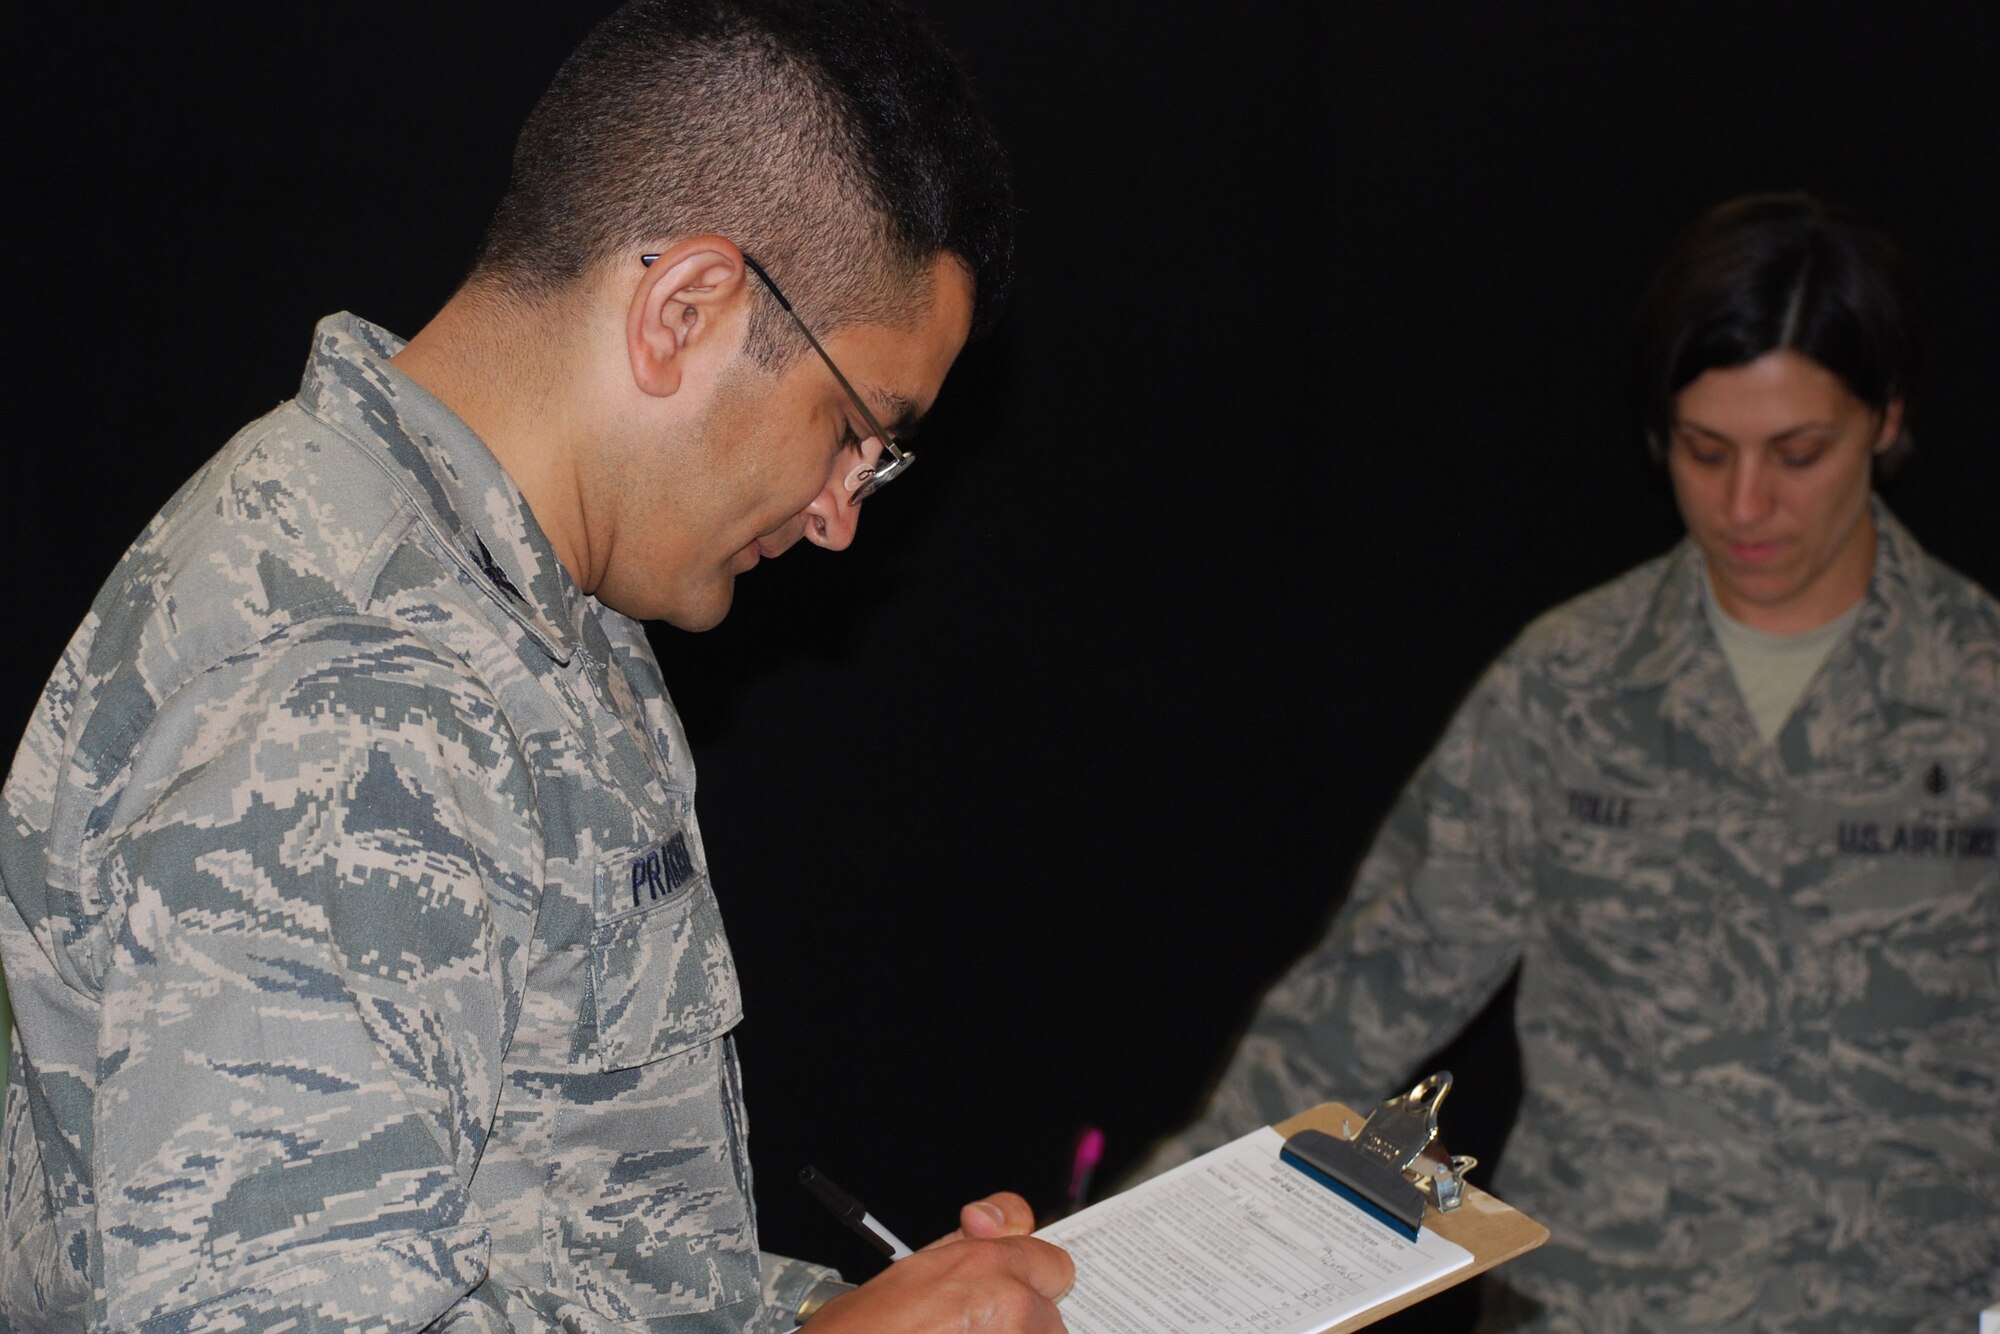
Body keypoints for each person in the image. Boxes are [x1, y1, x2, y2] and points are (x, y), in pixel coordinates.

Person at [0, 2, 1073, 1330]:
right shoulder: (352, 697)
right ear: (685, 308)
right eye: (857, 431)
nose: (842, 511)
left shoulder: (533, 596)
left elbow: (591, 1268)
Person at [1136, 194, 1999, 1330]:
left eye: (1796, 453)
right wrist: (1141, 1243)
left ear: (1885, 420)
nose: (1744, 504)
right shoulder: (1570, 683)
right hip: (1597, 1306)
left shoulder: (1977, 691)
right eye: (1703, 450)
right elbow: (1365, 994)